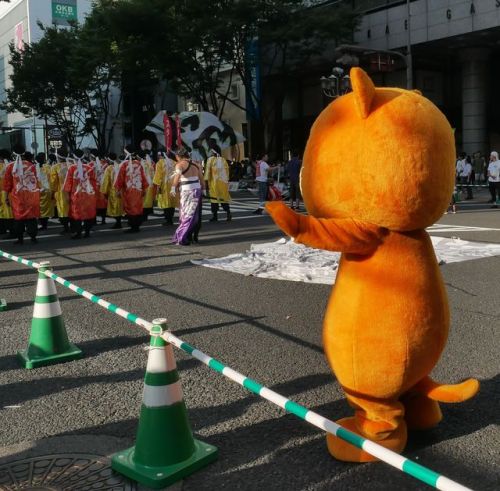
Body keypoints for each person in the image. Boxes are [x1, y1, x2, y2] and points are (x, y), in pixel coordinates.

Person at [3, 145, 40, 244]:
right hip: (31, 195)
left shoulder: (10, 166)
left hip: (17, 197)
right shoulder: (31, 165)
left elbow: (7, 184)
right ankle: (33, 237)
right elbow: (36, 180)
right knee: (31, 217)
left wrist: (6, 197)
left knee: (19, 218)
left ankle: (20, 239)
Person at [171, 147, 205, 245]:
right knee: (196, 214)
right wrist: (204, 190)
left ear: (178, 156)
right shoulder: (197, 164)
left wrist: (173, 187)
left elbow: (177, 176)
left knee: (186, 214)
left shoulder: (180, 164)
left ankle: (184, 237)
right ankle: (195, 236)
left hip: (187, 191)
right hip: (197, 190)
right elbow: (202, 180)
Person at [63, 149, 97, 239]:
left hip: (77, 195)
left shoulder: (72, 168)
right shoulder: (89, 168)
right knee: (88, 213)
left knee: (76, 214)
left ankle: (78, 233)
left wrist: (67, 195)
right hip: (89, 194)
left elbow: (68, 183)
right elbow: (94, 183)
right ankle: (87, 232)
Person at [114, 145, 148, 233]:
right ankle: (136, 226)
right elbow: (143, 177)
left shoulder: (124, 164)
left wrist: (118, 189)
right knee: (138, 207)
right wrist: (144, 189)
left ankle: (133, 227)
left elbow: (120, 178)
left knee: (130, 208)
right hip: (138, 189)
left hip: (129, 190)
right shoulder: (139, 164)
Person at [204, 150, 232, 222]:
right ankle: (228, 213)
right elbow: (227, 171)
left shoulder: (210, 160)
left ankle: (215, 216)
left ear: (213, 152)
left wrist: (206, 182)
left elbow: (207, 172)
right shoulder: (223, 160)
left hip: (214, 183)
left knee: (214, 200)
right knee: (223, 199)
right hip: (223, 183)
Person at [153, 152, 178, 226]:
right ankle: (170, 219)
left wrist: (158, 186)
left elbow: (158, 175)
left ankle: (168, 220)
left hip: (164, 185)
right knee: (172, 202)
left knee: (166, 202)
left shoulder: (160, 163)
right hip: (173, 184)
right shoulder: (175, 163)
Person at [101, 152, 124, 229]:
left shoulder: (109, 168)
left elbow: (106, 181)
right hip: (121, 190)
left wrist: (104, 191)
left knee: (114, 207)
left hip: (113, 190)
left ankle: (118, 223)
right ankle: (119, 222)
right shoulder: (120, 166)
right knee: (120, 206)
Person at [50, 152, 71, 234]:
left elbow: (53, 182)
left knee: (63, 210)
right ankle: (74, 227)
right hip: (72, 191)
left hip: (61, 192)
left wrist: (52, 192)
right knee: (71, 209)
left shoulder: (55, 167)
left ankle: (66, 228)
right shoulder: (71, 165)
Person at [35, 153, 54, 230]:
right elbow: (52, 179)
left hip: (37, 190)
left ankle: (43, 225)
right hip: (47, 190)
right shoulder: (48, 167)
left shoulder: (34, 167)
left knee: (39, 208)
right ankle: (44, 224)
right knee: (46, 208)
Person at [90, 152, 108, 225]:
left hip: (94, 187)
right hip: (103, 187)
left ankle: (94, 220)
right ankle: (103, 220)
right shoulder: (106, 165)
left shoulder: (90, 165)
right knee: (103, 204)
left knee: (94, 204)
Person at [0, 149, 14, 237]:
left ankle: (5, 230)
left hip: (3, 193)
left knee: (4, 213)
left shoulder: (2, 166)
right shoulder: (13, 165)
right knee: (12, 213)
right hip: (14, 193)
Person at [140, 150, 155, 221]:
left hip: (144, 184)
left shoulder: (142, 163)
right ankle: (146, 215)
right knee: (148, 200)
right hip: (150, 183)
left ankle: (143, 216)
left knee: (143, 200)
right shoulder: (151, 163)